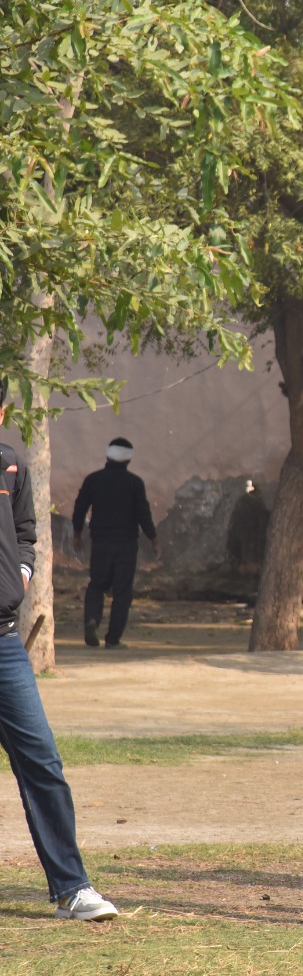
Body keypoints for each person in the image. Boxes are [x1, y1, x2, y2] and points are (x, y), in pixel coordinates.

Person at [0, 384, 119, 922]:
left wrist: (21, 576)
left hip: (3, 642)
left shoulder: (11, 467)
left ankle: (72, 888)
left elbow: (26, 532)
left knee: (42, 762)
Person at [71, 437, 159, 648]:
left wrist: (77, 533)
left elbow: (80, 507)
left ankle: (92, 619)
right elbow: (143, 513)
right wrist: (153, 537)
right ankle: (113, 639)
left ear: (108, 456)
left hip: (100, 542)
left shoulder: (93, 480)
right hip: (126, 544)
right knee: (122, 592)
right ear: (128, 460)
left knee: (96, 585)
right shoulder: (135, 483)